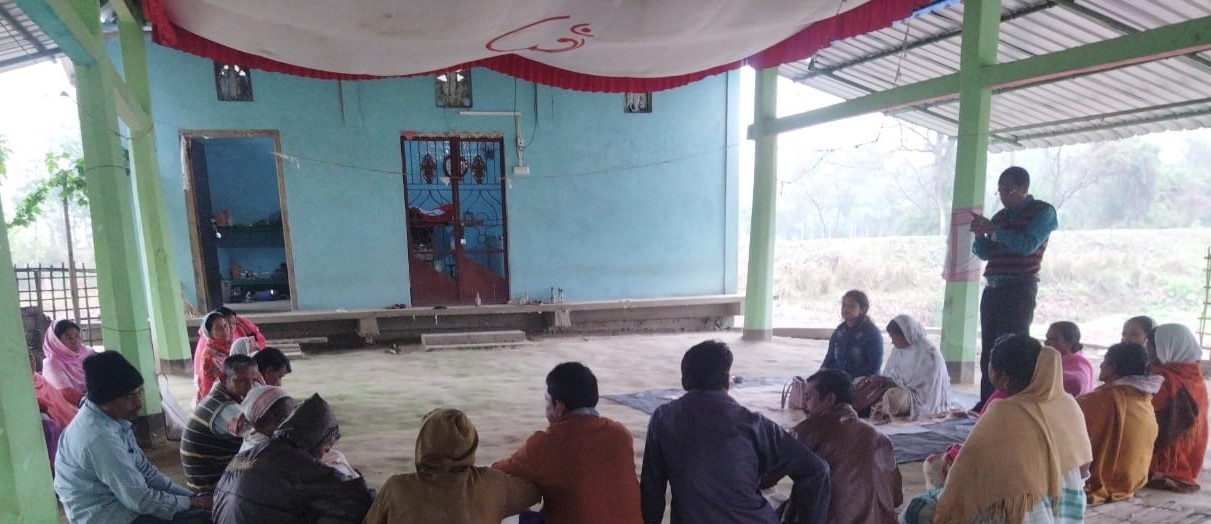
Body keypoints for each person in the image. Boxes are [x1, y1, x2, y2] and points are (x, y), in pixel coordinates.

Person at [901, 336, 1091, 524]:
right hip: (1067, 512)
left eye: (990, 365)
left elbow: (962, 475)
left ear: (1004, 378)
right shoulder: (1068, 404)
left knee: (917, 508)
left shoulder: (1004, 414)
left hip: (1023, 516)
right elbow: (1084, 469)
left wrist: (945, 511)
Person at [641, 340, 830, 524]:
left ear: (684, 381)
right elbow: (817, 470)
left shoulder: (663, 419)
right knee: (773, 496)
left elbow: (652, 491)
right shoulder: (753, 423)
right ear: (727, 382)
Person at [55, 351, 213, 524]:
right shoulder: (99, 438)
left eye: (139, 393)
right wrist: (191, 503)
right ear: (105, 399)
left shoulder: (114, 418)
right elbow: (140, 500)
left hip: (125, 502)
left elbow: (147, 472)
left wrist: (192, 497)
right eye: (130, 397)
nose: (138, 403)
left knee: (205, 514)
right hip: (105, 515)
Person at [493, 362, 643, 524]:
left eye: (547, 401)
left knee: (499, 506)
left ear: (559, 406)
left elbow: (496, 472)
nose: (546, 409)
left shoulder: (547, 443)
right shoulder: (620, 434)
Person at [970, 166, 1058, 410]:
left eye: (1008, 190)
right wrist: (979, 234)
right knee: (990, 350)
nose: (1003, 196)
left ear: (1024, 188)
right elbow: (985, 253)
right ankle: (987, 403)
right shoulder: (999, 217)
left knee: (1015, 350)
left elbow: (1027, 244)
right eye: (1000, 191)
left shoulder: (1043, 211)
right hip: (993, 288)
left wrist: (994, 231)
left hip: (1019, 288)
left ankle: (1014, 404)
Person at [213, 393, 373, 524]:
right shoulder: (294, 462)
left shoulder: (248, 454)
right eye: (326, 447)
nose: (327, 452)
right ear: (316, 439)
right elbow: (357, 497)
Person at [363, 408, 540, 524]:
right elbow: (535, 491)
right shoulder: (493, 484)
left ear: (423, 443)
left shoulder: (395, 488)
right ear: (471, 444)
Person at [789, 369, 901, 524]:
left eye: (808, 397)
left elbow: (766, 478)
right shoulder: (881, 438)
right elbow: (896, 498)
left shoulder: (807, 431)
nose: (803, 405)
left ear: (830, 399)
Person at [1077, 342, 1160, 504]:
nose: (1101, 365)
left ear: (1113, 367)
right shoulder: (1143, 398)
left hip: (1098, 481)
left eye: (1105, 360)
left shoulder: (1100, 400)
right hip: (1132, 481)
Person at [182, 355, 262, 491]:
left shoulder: (222, 394)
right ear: (224, 379)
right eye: (241, 381)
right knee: (270, 462)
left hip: (218, 470)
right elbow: (260, 435)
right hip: (211, 486)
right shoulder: (224, 409)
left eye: (254, 380)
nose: (250, 387)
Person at [1146, 324, 1208, 493]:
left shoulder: (1163, 380)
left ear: (1169, 347)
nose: (1149, 353)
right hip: (1192, 456)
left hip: (1169, 458)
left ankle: (1163, 471)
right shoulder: (1194, 375)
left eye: (1153, 348)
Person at [861, 315, 951, 421]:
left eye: (894, 338)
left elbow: (924, 392)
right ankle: (873, 410)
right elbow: (890, 376)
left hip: (917, 400)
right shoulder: (898, 350)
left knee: (892, 396)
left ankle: (879, 410)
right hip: (897, 388)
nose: (892, 342)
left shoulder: (928, 353)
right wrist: (882, 381)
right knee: (863, 383)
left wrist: (890, 385)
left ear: (906, 335)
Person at [30, 348, 78, 468]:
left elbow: (59, 401)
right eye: (27, 360)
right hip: (51, 427)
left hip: (62, 419)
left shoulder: (39, 379)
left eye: (32, 358)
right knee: (50, 427)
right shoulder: (51, 365)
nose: (31, 363)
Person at [821, 290, 883, 379]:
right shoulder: (839, 332)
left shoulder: (872, 334)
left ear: (863, 309)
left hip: (864, 381)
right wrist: (820, 375)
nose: (846, 309)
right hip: (840, 379)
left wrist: (848, 377)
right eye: (844, 305)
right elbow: (829, 358)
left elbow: (874, 366)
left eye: (851, 306)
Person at [42, 318, 96, 404]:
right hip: (72, 407)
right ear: (57, 341)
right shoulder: (52, 363)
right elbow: (66, 393)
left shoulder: (88, 353)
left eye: (77, 336)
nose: (75, 341)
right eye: (69, 338)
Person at [228, 384, 294, 453]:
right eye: (284, 419)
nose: (291, 424)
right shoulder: (270, 451)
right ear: (261, 424)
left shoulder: (254, 439)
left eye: (292, 416)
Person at [194, 311, 234, 404]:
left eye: (225, 325)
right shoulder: (209, 355)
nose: (224, 330)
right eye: (218, 328)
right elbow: (207, 387)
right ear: (210, 333)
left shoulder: (230, 347)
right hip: (214, 401)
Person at [1046, 321, 1094, 397]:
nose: (1047, 343)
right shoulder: (1057, 361)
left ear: (1070, 342)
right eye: (1047, 338)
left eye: (1054, 339)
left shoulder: (1079, 365)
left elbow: (1075, 383)